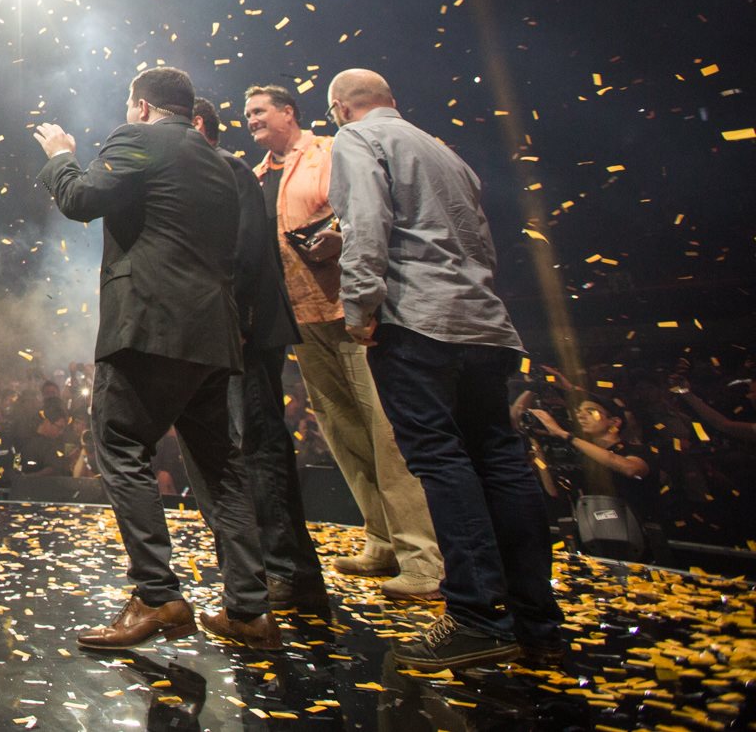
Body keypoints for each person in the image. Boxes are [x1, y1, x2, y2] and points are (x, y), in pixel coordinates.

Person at [327, 69, 564, 670]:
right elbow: (481, 244)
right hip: (484, 323)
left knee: (440, 458)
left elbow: (366, 227)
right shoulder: (445, 152)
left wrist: (359, 307)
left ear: (339, 109)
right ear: (391, 99)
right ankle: (535, 617)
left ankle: (477, 615)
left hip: (418, 324)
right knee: (502, 460)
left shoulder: (358, 140)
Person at [31, 67, 276, 650]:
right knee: (220, 466)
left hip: (148, 326)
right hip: (213, 336)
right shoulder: (223, 164)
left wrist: (62, 156)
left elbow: (80, 200)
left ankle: (157, 596)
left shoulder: (136, 136)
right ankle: (249, 608)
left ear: (141, 105)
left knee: (119, 444)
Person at [247, 83, 441, 600]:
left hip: (348, 312)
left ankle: (423, 555)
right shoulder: (258, 176)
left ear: (289, 112)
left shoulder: (332, 152)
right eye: (247, 114)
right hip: (301, 320)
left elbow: (366, 213)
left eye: (260, 111)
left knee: (385, 433)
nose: (251, 120)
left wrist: (338, 237)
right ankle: (380, 538)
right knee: (343, 433)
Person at [186, 98, 327, 610]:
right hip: (225, 332)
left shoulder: (226, 170)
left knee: (258, 447)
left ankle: (284, 570)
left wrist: (237, 321)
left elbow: (244, 253)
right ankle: (274, 571)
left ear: (196, 125)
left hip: (242, 332)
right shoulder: (217, 172)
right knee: (242, 449)